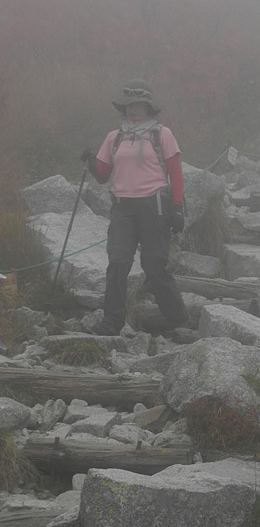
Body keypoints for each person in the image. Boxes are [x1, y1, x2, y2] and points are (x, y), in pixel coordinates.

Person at [82, 79, 189, 336]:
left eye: (138, 105)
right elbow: (103, 176)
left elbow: (175, 172)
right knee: (117, 262)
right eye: (128, 105)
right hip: (123, 207)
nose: (133, 110)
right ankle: (112, 321)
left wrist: (177, 207)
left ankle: (179, 320)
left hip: (155, 205)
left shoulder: (162, 134)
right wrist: (91, 162)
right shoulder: (114, 137)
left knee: (153, 265)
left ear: (148, 107)